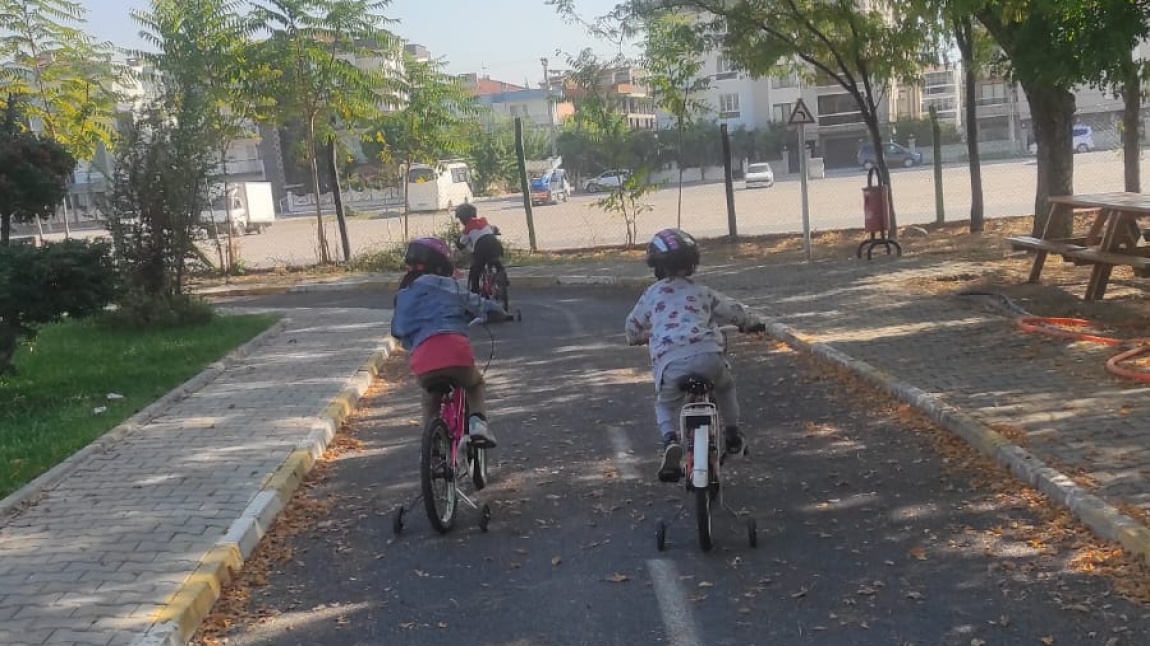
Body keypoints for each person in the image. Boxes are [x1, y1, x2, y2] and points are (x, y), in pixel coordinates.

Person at [624, 228, 766, 482]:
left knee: (665, 404)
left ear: (656, 267)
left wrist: (639, 337)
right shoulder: (702, 292)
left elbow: (632, 327)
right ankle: (732, 432)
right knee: (726, 387)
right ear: (692, 264)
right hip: (709, 356)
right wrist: (752, 323)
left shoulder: (652, 294)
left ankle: (670, 440)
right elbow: (734, 310)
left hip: (671, 363)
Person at [391, 237, 508, 448]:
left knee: (430, 398)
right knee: (474, 384)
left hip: (423, 359)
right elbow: (479, 304)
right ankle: (478, 424)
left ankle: (431, 446)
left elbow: (398, 330)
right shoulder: (449, 285)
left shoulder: (403, 295)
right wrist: (499, 312)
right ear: (442, 264)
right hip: (456, 352)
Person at [454, 202, 506, 294]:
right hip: (495, 244)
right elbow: (494, 229)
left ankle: (475, 292)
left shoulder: (467, 229)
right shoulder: (483, 221)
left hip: (481, 248)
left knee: (475, 272)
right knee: (496, 262)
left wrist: (458, 242)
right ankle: (502, 275)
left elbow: (462, 242)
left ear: (462, 219)